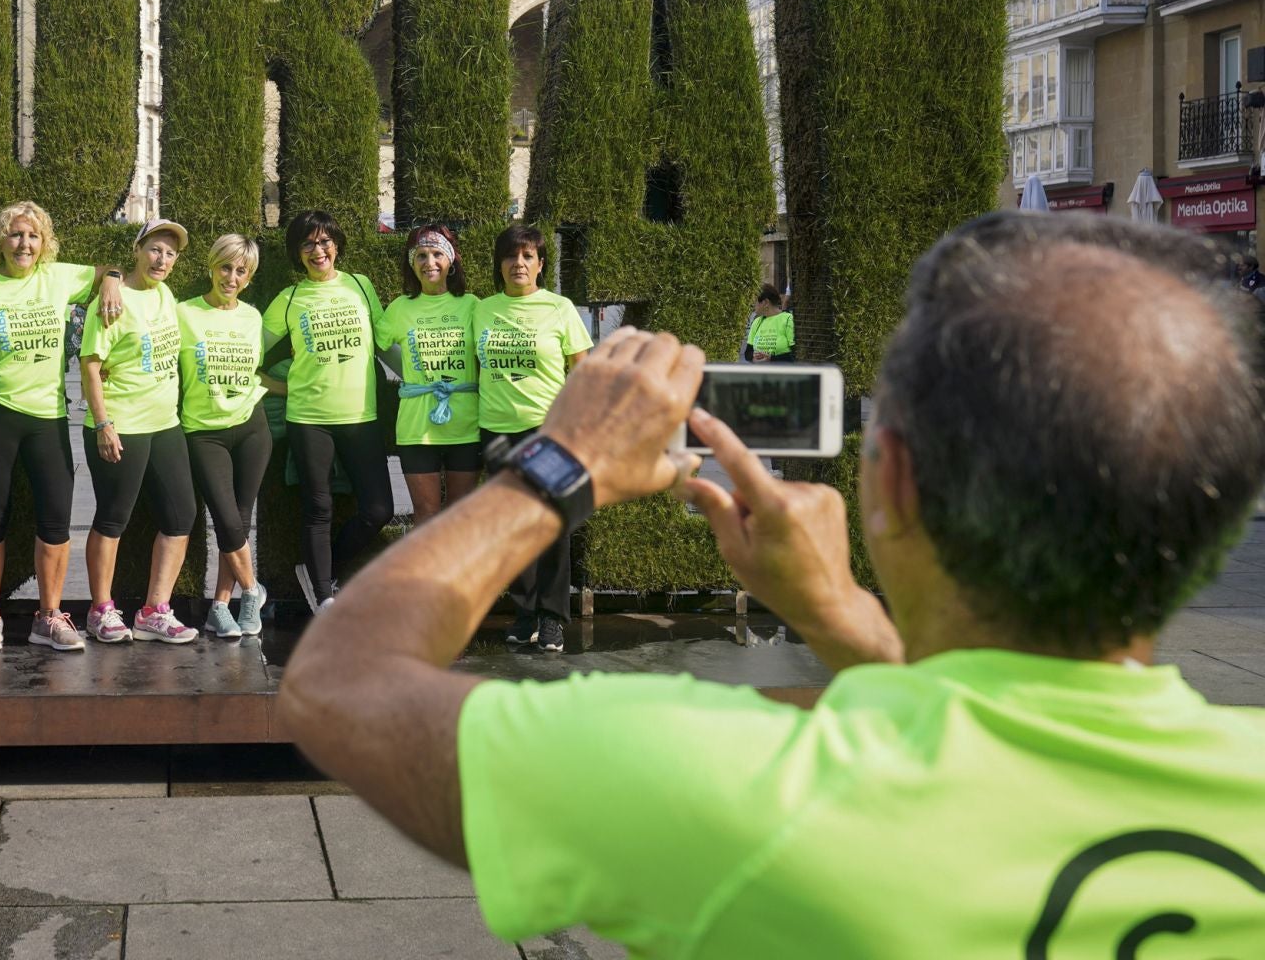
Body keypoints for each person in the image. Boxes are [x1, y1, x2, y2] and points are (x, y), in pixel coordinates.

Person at [279, 212, 1265, 957]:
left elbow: (341, 683)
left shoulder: (744, 788)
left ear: (891, 479)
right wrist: (844, 618)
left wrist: (560, 461)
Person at [0, 201, 125, 654]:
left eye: (32, 236)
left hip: (47, 416)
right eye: (15, 235)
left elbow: (110, 267)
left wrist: (111, 282)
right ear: (0, 241)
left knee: (56, 518)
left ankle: (49, 616)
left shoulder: (60, 277)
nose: (23, 244)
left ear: (44, 243)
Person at [261, 210, 392, 611]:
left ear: (336, 245)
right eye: (307, 244)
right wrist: (284, 388)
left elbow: (387, 343)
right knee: (317, 509)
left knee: (378, 509)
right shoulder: (289, 300)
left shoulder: (360, 286)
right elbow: (251, 358)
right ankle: (323, 595)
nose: (318, 251)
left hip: (361, 417)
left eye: (324, 242)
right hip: (309, 420)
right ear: (297, 253)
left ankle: (323, 567)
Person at [78, 219, 201, 644]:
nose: (162, 259)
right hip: (121, 426)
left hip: (165, 424)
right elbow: (91, 364)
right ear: (138, 250)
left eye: (170, 253)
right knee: (113, 519)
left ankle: (154, 611)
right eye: (155, 249)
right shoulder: (112, 301)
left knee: (182, 515)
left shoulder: (166, 295)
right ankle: (100, 610)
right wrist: (103, 423)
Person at [474, 224, 590, 652]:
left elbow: (584, 373)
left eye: (527, 256)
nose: (518, 264)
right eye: (510, 256)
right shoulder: (480, 310)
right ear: (499, 264)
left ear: (541, 264)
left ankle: (553, 617)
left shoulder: (560, 308)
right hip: (496, 431)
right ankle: (525, 614)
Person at [179, 234, 277, 639]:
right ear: (211, 266)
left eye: (241, 271)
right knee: (226, 520)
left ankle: (220, 606)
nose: (231, 277)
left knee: (238, 520)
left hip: (252, 428)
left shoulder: (253, 317)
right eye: (225, 267)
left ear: (249, 277)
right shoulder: (184, 312)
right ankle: (253, 591)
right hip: (204, 432)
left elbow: (257, 372)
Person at [377, 224, 479, 526]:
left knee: (461, 516)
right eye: (420, 255)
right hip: (417, 429)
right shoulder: (398, 308)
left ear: (451, 262)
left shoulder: (472, 305)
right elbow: (374, 344)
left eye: (437, 254)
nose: (429, 262)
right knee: (427, 517)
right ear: (412, 263)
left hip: (466, 426)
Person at [743, 283, 794, 362]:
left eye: (755, 301)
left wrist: (771, 359)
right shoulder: (756, 322)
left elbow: (795, 355)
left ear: (766, 302)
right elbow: (748, 353)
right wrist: (753, 358)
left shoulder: (788, 319)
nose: (752, 304)